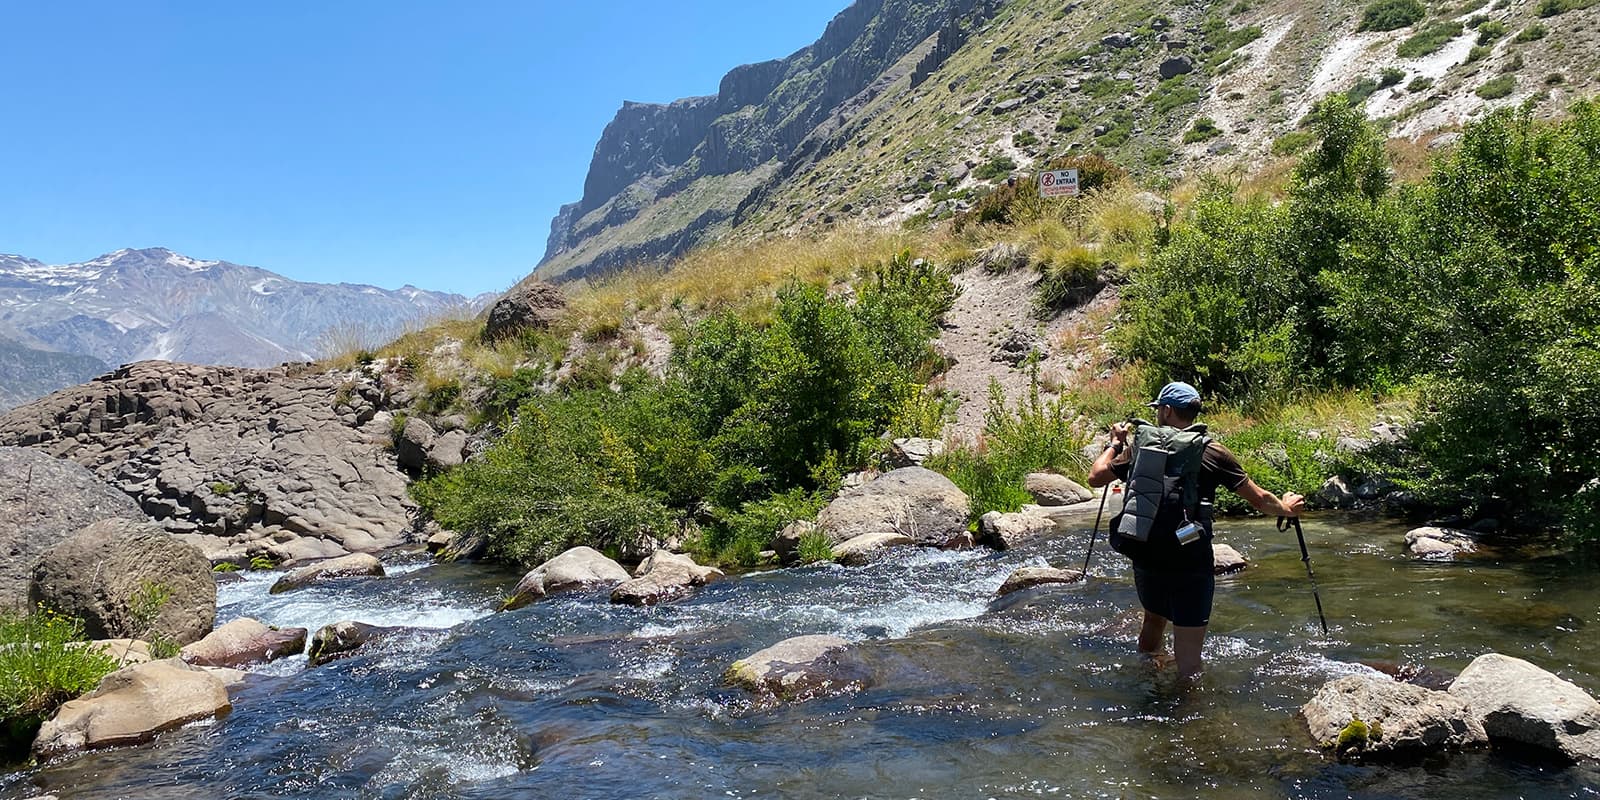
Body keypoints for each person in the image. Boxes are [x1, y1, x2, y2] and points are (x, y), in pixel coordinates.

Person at [1086, 381, 1305, 678]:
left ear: (1165, 410)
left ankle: (1147, 685)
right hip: (1190, 558)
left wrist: (1115, 443)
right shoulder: (1212, 451)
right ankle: (1188, 721)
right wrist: (1287, 509)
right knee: (1189, 661)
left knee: (1153, 620)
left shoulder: (1144, 445)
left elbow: (1096, 477)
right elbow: (1260, 499)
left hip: (1146, 552)